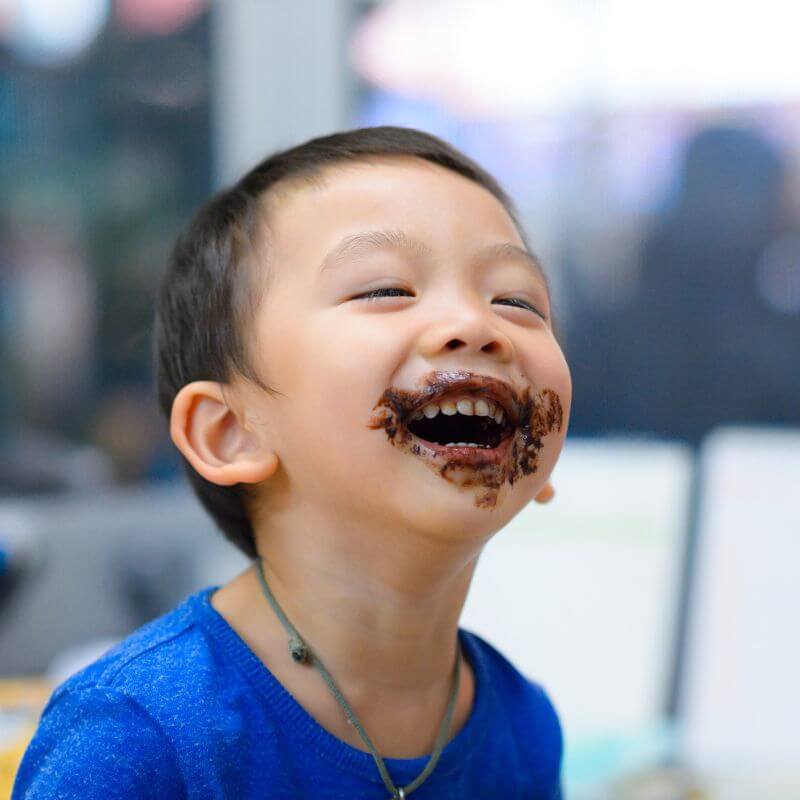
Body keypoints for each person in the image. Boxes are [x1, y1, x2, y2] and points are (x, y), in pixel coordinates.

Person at [13, 126, 572, 799]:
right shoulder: (138, 738)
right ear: (230, 434)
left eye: (515, 300)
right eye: (385, 289)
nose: (478, 326)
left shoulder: (523, 725)